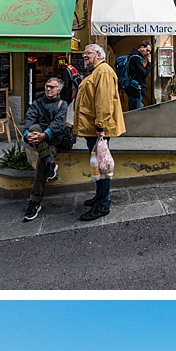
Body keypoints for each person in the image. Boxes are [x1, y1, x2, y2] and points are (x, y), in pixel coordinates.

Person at [73, 43, 125, 221]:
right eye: (84, 54)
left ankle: (103, 205)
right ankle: (99, 197)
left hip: (98, 130)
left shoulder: (103, 71)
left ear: (98, 54)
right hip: (93, 128)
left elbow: (104, 102)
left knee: (102, 166)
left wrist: (100, 126)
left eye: (87, 53)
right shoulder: (96, 71)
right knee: (98, 165)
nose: (84, 56)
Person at [21, 73, 70, 223]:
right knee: (34, 127)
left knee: (41, 163)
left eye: (52, 87)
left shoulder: (63, 104)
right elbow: (29, 119)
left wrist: (44, 135)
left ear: (58, 90)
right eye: (47, 86)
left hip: (54, 141)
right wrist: (26, 134)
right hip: (39, 140)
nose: (48, 89)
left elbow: (58, 124)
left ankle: (35, 202)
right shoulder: (37, 103)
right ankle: (50, 161)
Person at [126, 40, 152, 109]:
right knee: (136, 112)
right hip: (135, 89)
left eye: (149, 51)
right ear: (142, 47)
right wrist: (149, 63)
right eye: (147, 50)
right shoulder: (135, 58)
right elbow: (144, 74)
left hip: (133, 87)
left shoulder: (135, 57)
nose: (148, 53)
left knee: (133, 110)